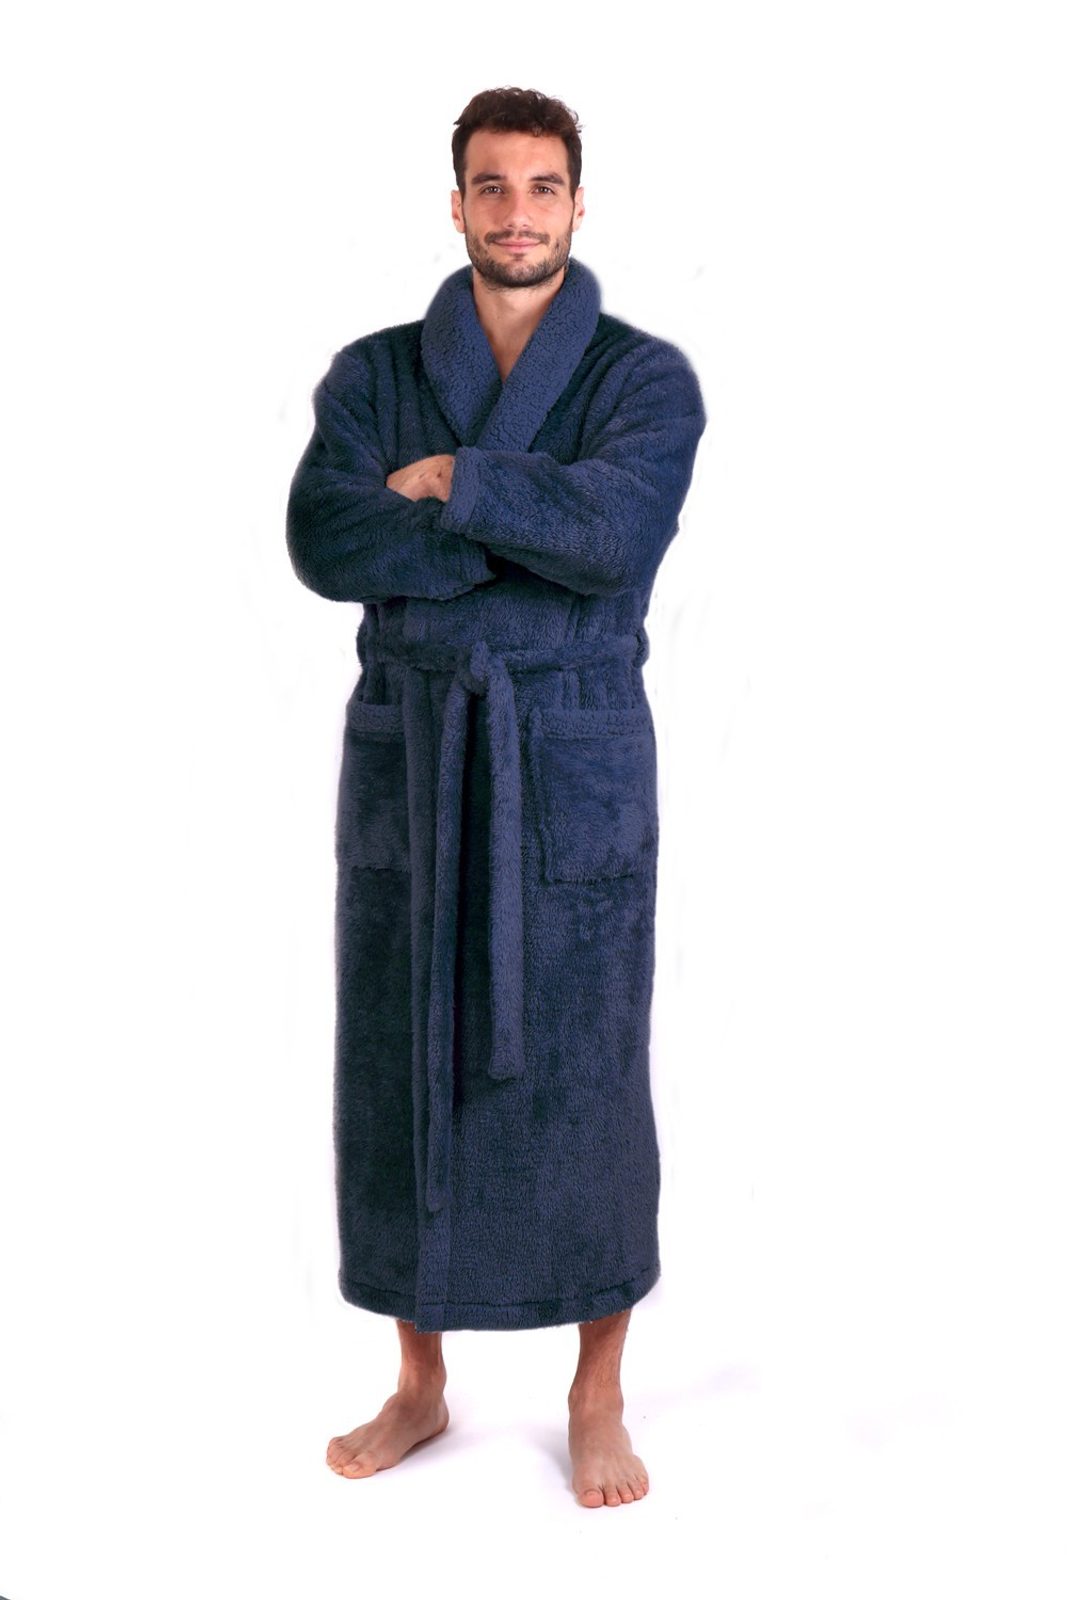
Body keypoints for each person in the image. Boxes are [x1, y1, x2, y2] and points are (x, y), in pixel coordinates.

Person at [286, 86, 707, 1509]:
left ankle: (598, 1390)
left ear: (578, 204)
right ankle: (421, 1382)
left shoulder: (645, 381)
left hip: (568, 744)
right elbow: (326, 536)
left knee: (588, 1064)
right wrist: (526, 524)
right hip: (417, 740)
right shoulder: (371, 374)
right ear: (456, 202)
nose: (516, 213)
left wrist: (456, 482)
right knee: (400, 1051)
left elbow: (619, 536)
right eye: (491, 186)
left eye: (541, 187)